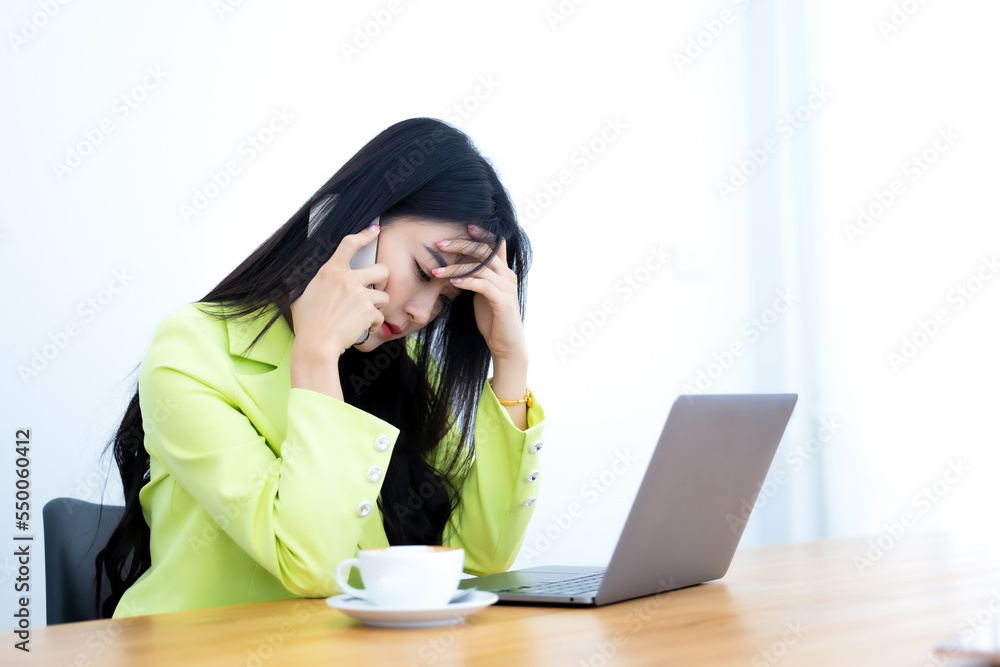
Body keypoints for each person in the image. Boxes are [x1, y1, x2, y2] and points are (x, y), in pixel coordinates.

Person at [94, 118, 546, 619]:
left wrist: (509, 364)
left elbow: (480, 561)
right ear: (359, 224)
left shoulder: (407, 369)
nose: (423, 312)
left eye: (448, 299)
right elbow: (311, 566)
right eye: (423, 271)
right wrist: (316, 354)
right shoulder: (191, 352)